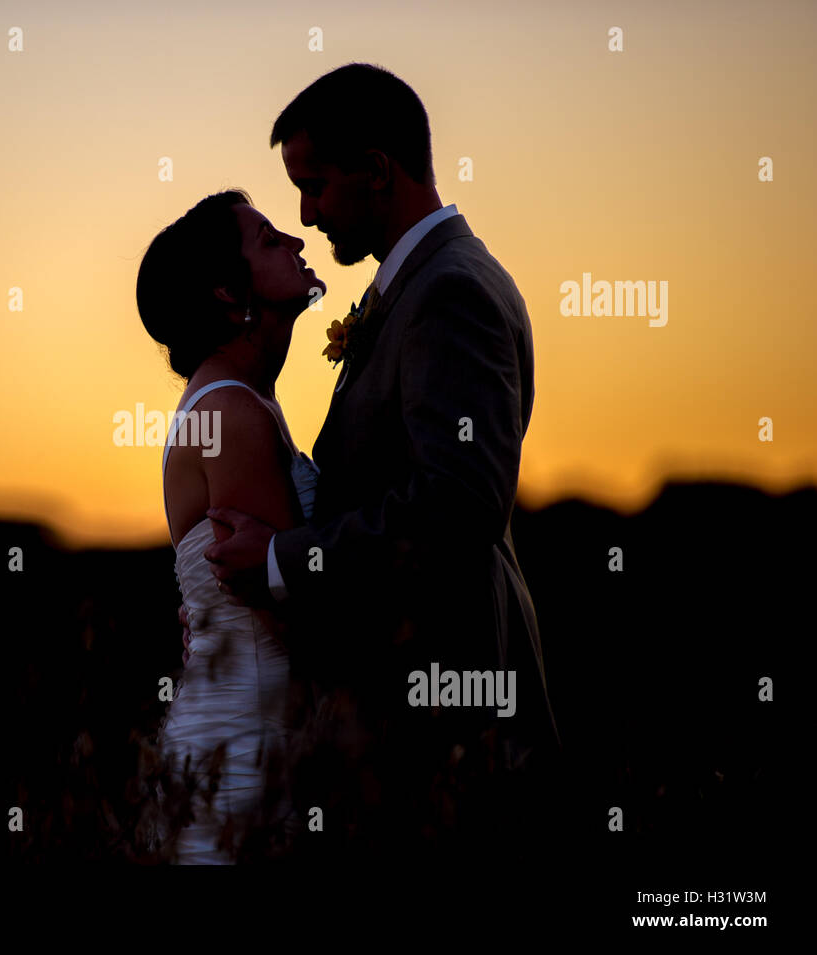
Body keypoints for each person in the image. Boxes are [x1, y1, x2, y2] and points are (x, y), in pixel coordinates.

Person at [196, 63, 561, 856]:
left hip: (452, 707)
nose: (305, 212)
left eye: (316, 185)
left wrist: (286, 559)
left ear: (377, 171)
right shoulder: (414, 288)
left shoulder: (449, 292)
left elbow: (459, 504)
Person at [136, 188, 326, 863]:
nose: (300, 243)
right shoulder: (234, 416)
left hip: (234, 732)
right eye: (273, 239)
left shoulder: (237, 403)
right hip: (250, 749)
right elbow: (296, 612)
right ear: (226, 291)